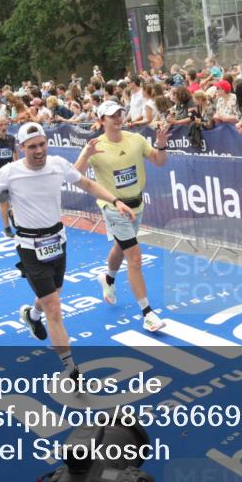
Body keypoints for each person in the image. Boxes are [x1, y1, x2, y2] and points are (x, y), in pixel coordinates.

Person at [0, 123, 135, 383]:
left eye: (42, 144)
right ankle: (71, 369)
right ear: (21, 148)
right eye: (32, 147)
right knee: (54, 306)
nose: (38, 151)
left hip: (57, 240)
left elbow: (87, 184)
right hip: (29, 245)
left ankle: (31, 314)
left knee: (52, 295)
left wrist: (116, 201)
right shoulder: (10, 172)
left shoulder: (58, 164)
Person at [74, 101, 170, 333]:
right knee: (135, 258)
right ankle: (147, 313)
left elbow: (159, 161)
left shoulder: (136, 140)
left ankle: (108, 279)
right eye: (111, 116)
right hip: (113, 208)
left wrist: (161, 145)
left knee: (122, 245)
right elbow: (74, 176)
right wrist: (86, 154)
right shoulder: (96, 146)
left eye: (119, 114)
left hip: (137, 204)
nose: (117, 118)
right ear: (101, 121)